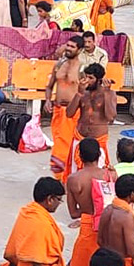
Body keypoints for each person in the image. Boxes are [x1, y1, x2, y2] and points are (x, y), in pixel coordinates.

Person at [66, 139, 116, 266]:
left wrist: (89, 210)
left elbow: (73, 213)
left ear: (80, 157)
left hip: (88, 227)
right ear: (99, 154)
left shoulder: (74, 179)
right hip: (108, 227)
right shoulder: (111, 175)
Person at [66, 63, 116, 174]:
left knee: (98, 174)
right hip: (80, 137)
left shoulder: (109, 94)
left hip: (98, 140)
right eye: (86, 76)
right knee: (75, 172)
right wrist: (78, 93)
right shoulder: (82, 93)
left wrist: (107, 94)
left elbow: (111, 117)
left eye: (91, 78)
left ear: (99, 80)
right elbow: (69, 114)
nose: (86, 80)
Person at [47, 36, 85, 183]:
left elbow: (86, 92)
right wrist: (48, 101)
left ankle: (67, 180)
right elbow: (49, 86)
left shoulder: (82, 69)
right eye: (67, 45)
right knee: (58, 145)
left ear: (79, 50)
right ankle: (59, 179)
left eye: (72, 47)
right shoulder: (58, 65)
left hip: (73, 113)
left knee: (68, 147)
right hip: (57, 111)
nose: (68, 48)